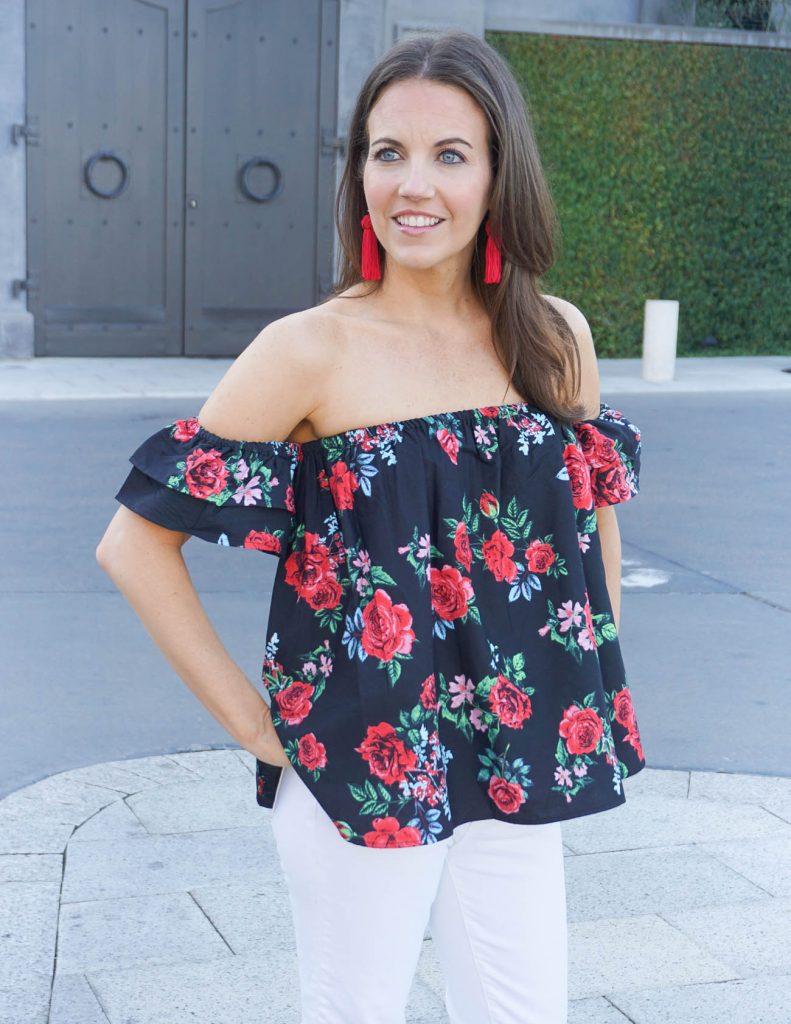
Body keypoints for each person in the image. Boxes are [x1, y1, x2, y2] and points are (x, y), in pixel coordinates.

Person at [97, 29, 646, 1024]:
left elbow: (590, 526)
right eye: (385, 152)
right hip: (361, 763)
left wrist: (580, 685)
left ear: (496, 174)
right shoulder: (309, 350)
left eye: (448, 154)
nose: (412, 185)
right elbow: (133, 544)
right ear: (357, 171)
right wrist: (257, 727)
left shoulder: (552, 338)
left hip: (519, 752)